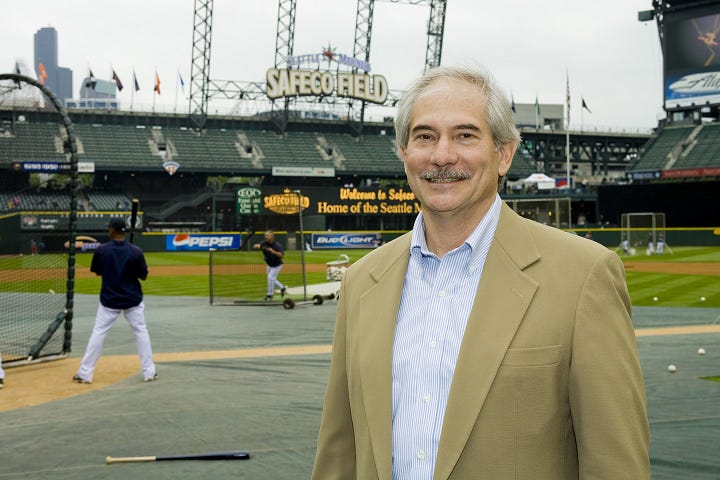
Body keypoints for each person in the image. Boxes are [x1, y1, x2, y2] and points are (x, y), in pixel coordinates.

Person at [311, 66, 649, 479]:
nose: (442, 156)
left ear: (504, 153)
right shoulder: (363, 279)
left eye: (465, 135)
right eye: (425, 136)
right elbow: (339, 450)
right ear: (404, 153)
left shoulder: (583, 275)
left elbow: (615, 463)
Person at [73, 218, 157, 384]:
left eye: (109, 228)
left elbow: (97, 272)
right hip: (132, 298)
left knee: (98, 333)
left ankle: (85, 373)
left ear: (112, 230)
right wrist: (142, 269)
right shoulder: (136, 251)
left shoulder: (101, 250)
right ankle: (149, 372)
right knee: (141, 332)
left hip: (109, 300)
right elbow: (144, 276)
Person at [253, 230, 287, 301]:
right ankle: (282, 288)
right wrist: (256, 246)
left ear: (272, 237)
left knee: (270, 278)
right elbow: (259, 246)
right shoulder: (263, 243)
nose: (265, 237)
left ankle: (270, 296)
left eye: (267, 235)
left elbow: (282, 255)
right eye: (265, 235)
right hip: (269, 264)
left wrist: (273, 252)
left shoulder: (276, 245)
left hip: (276, 265)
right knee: (271, 279)